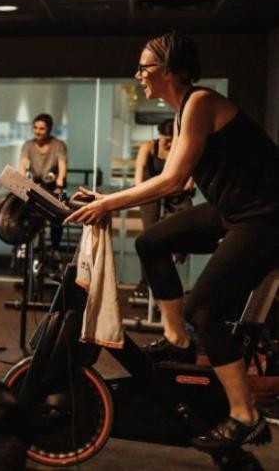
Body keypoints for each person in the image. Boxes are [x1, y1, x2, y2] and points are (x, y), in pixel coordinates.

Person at [65, 32, 279, 451]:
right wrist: (109, 200)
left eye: (144, 68)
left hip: (264, 218)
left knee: (205, 309)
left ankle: (245, 415)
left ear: (167, 69)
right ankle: (176, 337)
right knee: (152, 242)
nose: (139, 75)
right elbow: (175, 180)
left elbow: (173, 179)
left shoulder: (199, 103)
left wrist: (109, 203)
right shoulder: (183, 111)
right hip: (232, 210)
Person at [133, 118, 193, 297]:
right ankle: (144, 281)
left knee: (187, 213)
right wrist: (138, 191)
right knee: (148, 235)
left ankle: (180, 248)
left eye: (172, 138)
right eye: (165, 138)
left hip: (172, 191)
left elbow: (190, 171)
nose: (168, 141)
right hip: (151, 192)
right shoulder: (149, 147)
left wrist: (188, 184)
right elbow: (139, 170)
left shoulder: (180, 148)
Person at [19, 113, 67, 261]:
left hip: (52, 184)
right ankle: (25, 243)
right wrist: (20, 182)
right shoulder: (28, 145)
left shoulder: (58, 145)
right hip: (35, 183)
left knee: (57, 216)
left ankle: (55, 247)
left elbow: (62, 166)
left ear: (49, 130)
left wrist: (60, 182)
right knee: (23, 211)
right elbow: (22, 165)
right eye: (35, 128)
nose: (37, 131)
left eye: (42, 129)